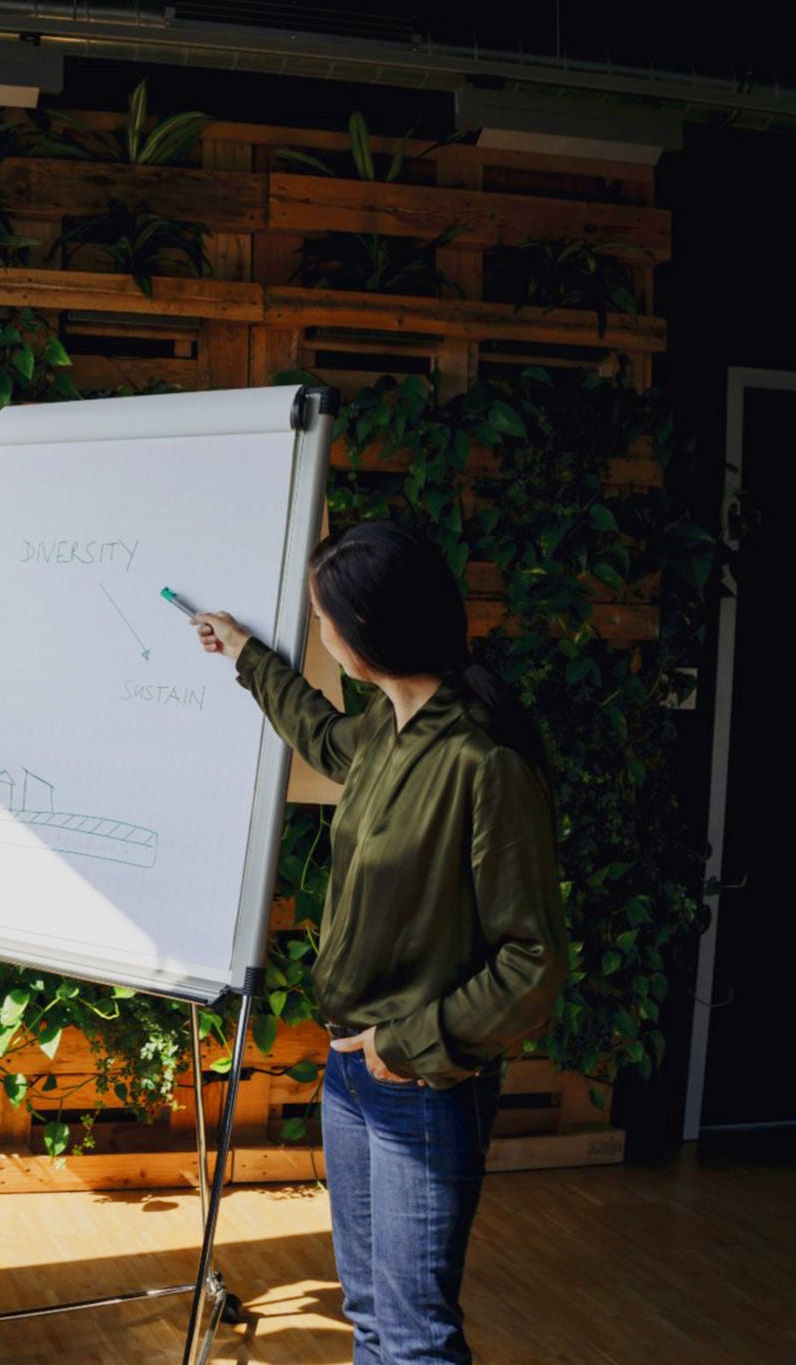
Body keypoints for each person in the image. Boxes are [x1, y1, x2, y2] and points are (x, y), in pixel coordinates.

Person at [193, 519, 568, 1365]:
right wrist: (248, 655)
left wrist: (405, 1047)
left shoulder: (483, 761)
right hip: (350, 1071)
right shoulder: (385, 726)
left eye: (326, 618)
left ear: (365, 633)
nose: (319, 629)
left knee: (413, 1335)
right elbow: (321, 736)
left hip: (421, 1083)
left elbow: (533, 964)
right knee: (373, 1317)